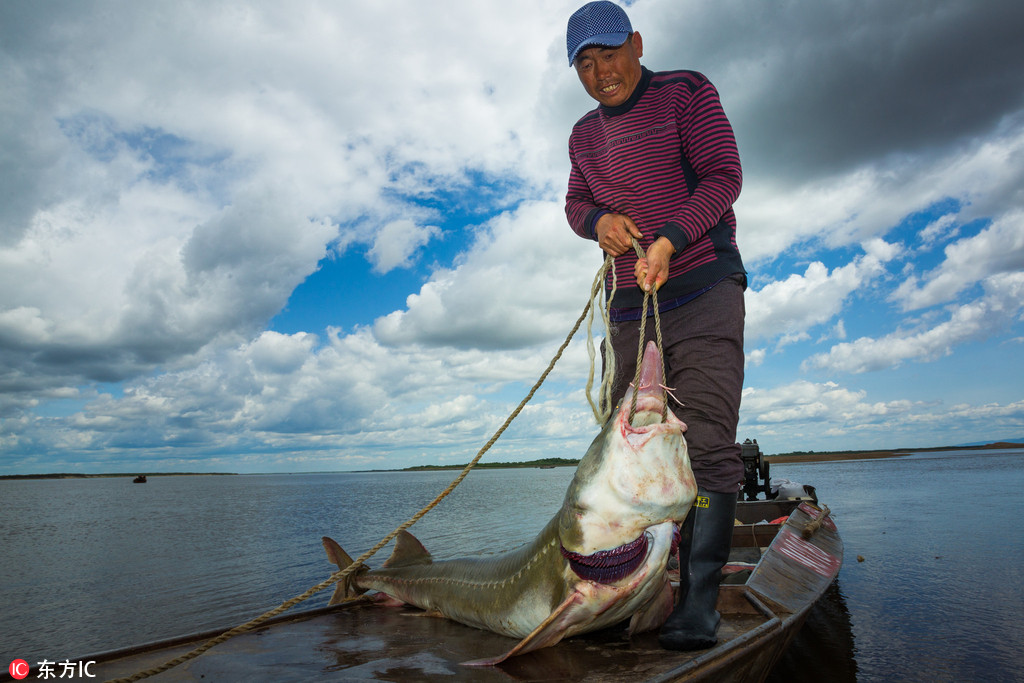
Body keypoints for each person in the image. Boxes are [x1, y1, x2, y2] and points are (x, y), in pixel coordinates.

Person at [564, 1, 747, 651]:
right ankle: (633, 589)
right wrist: (596, 224)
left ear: (637, 44)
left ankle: (699, 599)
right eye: (584, 62)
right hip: (628, 303)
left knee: (705, 443)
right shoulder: (583, 136)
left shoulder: (686, 93)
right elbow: (575, 203)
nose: (600, 71)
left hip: (701, 285)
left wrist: (668, 240)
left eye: (609, 53)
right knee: (626, 451)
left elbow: (726, 177)